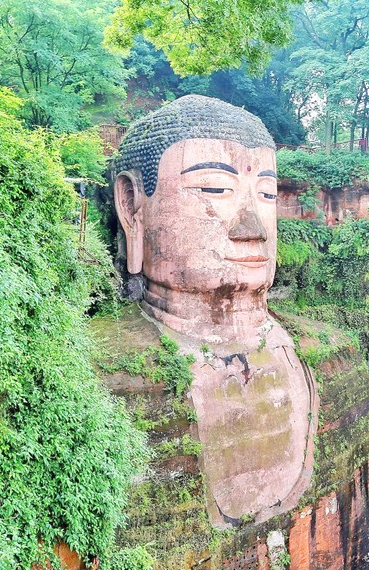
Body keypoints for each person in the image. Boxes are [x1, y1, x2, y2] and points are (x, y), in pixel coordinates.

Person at [111, 94, 318, 526]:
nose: (252, 227)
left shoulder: (327, 355)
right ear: (132, 206)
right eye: (214, 189)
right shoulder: (109, 387)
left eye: (266, 194)